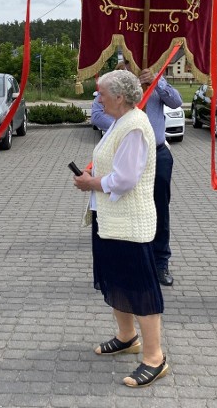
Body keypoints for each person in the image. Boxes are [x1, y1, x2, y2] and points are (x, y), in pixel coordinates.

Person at [73, 69, 169, 387]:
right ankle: (127, 337)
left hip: (129, 222)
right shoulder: (118, 120)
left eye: (101, 93)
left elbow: (125, 179)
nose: (97, 98)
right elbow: (112, 163)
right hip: (110, 219)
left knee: (140, 287)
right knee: (115, 280)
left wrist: (91, 182)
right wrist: (95, 172)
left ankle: (155, 358)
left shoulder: (135, 125)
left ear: (119, 96)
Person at [90, 62, 183, 286]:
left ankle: (160, 263)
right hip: (124, 152)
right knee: (124, 205)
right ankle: (126, 259)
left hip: (157, 154)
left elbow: (176, 102)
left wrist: (156, 82)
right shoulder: (116, 82)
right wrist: (124, 121)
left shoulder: (155, 78)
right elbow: (96, 115)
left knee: (160, 209)